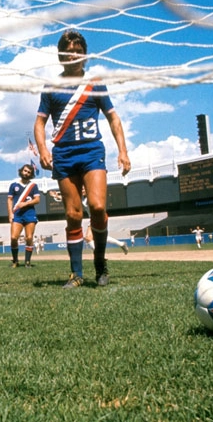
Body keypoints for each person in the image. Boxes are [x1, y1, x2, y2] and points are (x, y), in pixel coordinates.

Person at [33, 30, 131, 288]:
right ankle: (76, 273)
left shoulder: (95, 83)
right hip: (64, 154)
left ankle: (100, 264)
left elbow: (113, 117)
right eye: (68, 50)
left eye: (77, 50)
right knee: (73, 214)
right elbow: (40, 122)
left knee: (98, 207)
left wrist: (123, 150)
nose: (73, 54)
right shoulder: (51, 87)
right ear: (60, 56)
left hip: (91, 152)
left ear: (85, 55)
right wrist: (43, 149)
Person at [7, 164, 40, 268]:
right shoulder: (14, 185)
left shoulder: (33, 186)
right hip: (17, 215)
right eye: (25, 171)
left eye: (29, 172)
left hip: (30, 214)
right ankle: (15, 261)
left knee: (29, 237)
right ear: (21, 171)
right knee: (13, 238)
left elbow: (37, 200)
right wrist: (10, 214)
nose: (26, 173)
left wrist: (25, 204)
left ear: (31, 174)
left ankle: (27, 261)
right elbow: (9, 200)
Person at [82, 188, 128, 255]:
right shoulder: (82, 197)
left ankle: (99, 255)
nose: (82, 190)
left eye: (84, 189)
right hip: (93, 218)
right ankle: (121, 244)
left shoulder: (92, 196)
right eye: (81, 189)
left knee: (89, 238)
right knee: (100, 237)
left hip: (99, 216)